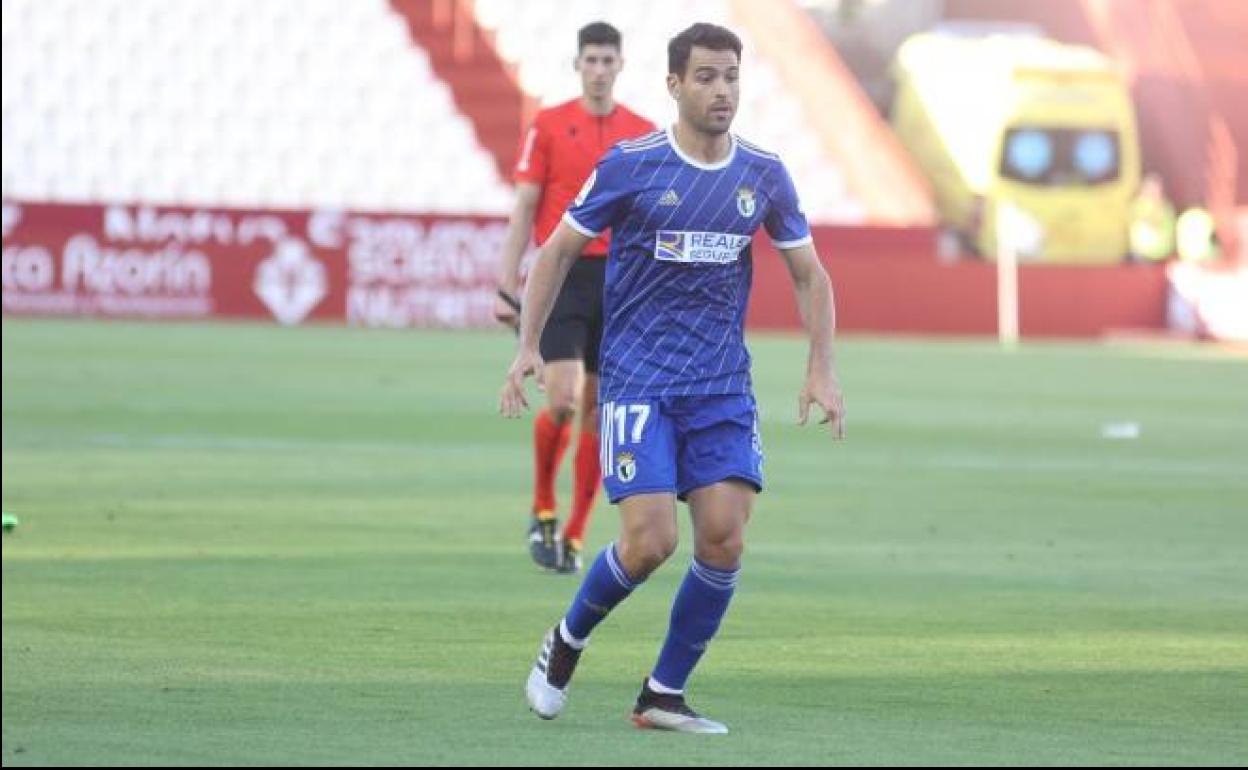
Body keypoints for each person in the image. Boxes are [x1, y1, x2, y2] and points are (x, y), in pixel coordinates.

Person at [500, 23, 845, 734]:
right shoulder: (632, 167)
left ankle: (663, 693)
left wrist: (821, 367)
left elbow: (809, 274)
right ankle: (565, 642)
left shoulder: (763, 174)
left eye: (731, 77)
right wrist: (528, 344)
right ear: (674, 85)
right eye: (708, 77)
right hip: (639, 383)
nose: (723, 91)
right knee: (651, 542)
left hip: (720, 387)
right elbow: (560, 249)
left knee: (723, 539)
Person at [494, 22, 655, 574]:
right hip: (563, 274)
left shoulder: (642, 132)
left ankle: (576, 533)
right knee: (561, 399)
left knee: (598, 411)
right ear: (578, 64)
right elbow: (523, 209)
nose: (600, 69)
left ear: (621, 65)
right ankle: (542, 507)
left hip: (621, 282)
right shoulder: (548, 125)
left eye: (609, 60)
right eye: (592, 59)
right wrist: (506, 284)